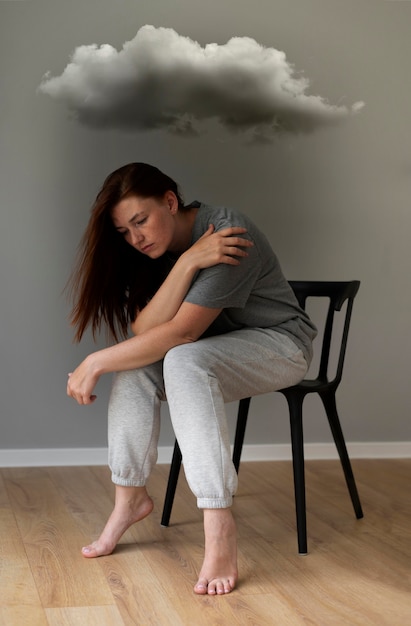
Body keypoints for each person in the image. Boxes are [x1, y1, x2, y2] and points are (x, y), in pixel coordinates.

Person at [66, 162, 317, 596]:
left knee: (182, 358)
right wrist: (185, 263)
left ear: (169, 200)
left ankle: (219, 522)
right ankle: (129, 501)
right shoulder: (162, 254)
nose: (136, 237)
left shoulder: (226, 231)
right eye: (125, 231)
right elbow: (146, 333)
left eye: (140, 221)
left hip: (281, 346)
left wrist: (94, 362)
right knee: (141, 365)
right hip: (216, 352)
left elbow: (183, 332)